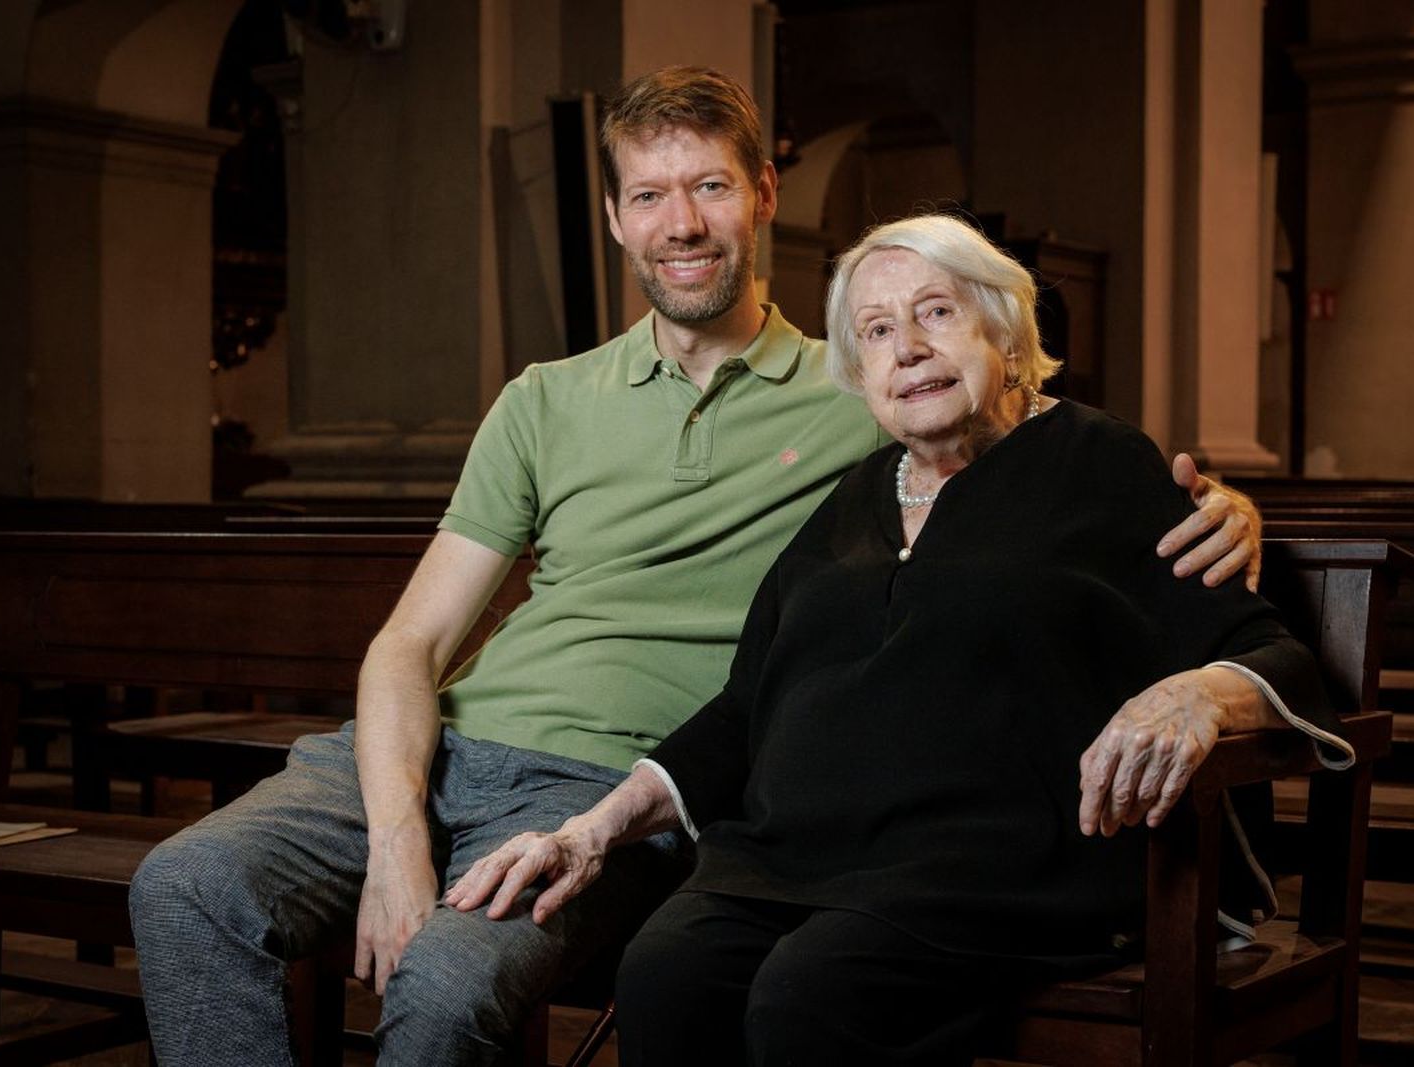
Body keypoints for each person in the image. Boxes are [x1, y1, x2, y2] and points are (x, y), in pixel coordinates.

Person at [130, 69, 1260, 1066]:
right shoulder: (542, 398)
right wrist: (395, 839)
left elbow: (1029, 437)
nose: (683, 222)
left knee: (449, 974)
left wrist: (1223, 504)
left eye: (710, 187)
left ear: (763, 195)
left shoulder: (863, 382)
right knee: (181, 886)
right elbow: (409, 646)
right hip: (430, 755)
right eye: (650, 195)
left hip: (612, 784)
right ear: (617, 218)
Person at [446, 213, 1354, 1067]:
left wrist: (1194, 691)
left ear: (1004, 332)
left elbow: (1267, 650)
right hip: (795, 856)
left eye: (935, 313)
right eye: (876, 331)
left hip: (993, 864)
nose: (907, 347)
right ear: (859, 372)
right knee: (665, 973)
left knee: (810, 997)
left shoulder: (1101, 464)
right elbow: (745, 708)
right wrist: (590, 831)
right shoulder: (853, 496)